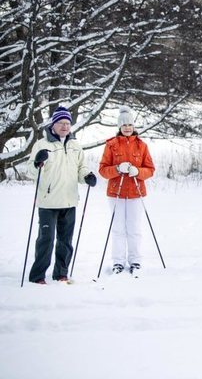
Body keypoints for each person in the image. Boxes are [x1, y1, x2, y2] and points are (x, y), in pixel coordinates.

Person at [27, 106, 97, 284]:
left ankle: (61, 274)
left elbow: (81, 167)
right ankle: (37, 276)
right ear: (53, 124)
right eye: (61, 123)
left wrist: (87, 176)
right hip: (48, 202)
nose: (65, 126)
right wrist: (37, 163)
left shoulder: (75, 146)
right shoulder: (41, 145)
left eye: (68, 123)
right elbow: (30, 170)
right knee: (46, 240)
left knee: (65, 241)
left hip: (69, 200)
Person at [98, 106, 155, 276]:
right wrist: (117, 168)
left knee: (134, 228)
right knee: (118, 229)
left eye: (130, 124)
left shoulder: (142, 145)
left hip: (136, 193)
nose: (127, 128)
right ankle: (118, 262)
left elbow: (150, 169)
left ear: (134, 125)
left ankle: (135, 260)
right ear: (119, 127)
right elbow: (103, 170)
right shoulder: (111, 145)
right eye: (124, 125)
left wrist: (138, 172)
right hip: (116, 193)